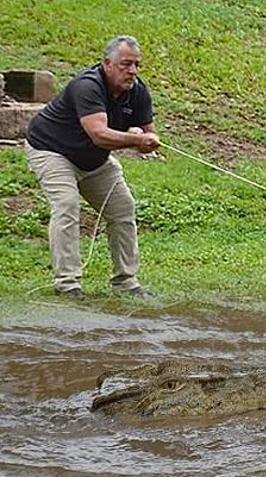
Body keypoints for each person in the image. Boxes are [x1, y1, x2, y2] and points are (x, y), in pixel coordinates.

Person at [24, 36, 160, 300]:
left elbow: (148, 138)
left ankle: (126, 282)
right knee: (66, 204)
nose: (132, 71)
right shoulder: (87, 86)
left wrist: (146, 141)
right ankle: (68, 284)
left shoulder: (138, 91)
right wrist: (134, 139)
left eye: (136, 65)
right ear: (107, 64)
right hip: (52, 150)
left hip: (94, 160)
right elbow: (99, 134)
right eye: (125, 64)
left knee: (123, 208)